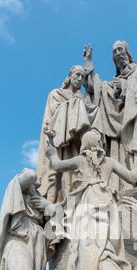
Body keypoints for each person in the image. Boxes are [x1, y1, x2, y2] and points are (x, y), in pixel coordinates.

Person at [46, 129, 137, 270]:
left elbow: (55, 164)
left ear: (85, 143)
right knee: (102, 251)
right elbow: (133, 178)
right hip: (107, 207)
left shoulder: (80, 160)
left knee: (93, 252)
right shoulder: (109, 162)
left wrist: (51, 141)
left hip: (90, 208)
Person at [83, 41, 137, 195]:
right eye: (114, 52)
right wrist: (88, 63)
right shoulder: (114, 81)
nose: (117, 54)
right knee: (120, 153)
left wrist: (125, 86)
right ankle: (123, 186)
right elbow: (95, 89)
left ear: (127, 53)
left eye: (120, 50)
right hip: (120, 129)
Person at [37, 65, 103, 204]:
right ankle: (57, 206)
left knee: (74, 174)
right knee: (60, 176)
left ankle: (75, 203)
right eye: (77, 75)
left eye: (83, 77)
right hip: (59, 141)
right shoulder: (56, 93)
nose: (80, 79)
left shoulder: (82, 99)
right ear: (70, 76)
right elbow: (53, 115)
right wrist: (75, 103)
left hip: (76, 145)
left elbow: (92, 112)